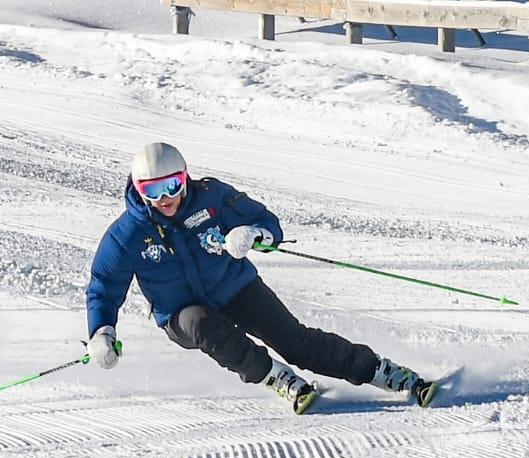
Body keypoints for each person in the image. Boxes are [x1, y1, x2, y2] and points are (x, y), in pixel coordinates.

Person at [85, 140, 441, 413]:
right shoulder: (127, 234)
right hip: (181, 314)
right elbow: (104, 287)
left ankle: (387, 374)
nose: (165, 199)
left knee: (295, 341)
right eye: (152, 191)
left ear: (185, 178)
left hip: (234, 287)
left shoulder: (210, 196)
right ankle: (279, 379)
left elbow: (268, 223)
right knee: (204, 324)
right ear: (138, 189)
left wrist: (254, 234)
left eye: (172, 186)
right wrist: (102, 332)